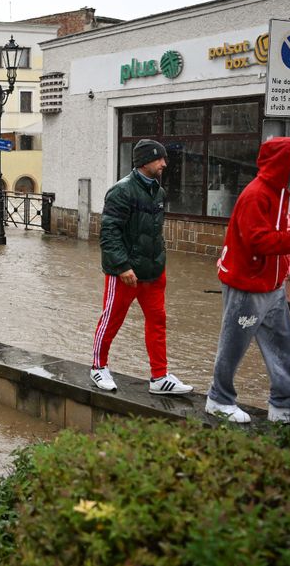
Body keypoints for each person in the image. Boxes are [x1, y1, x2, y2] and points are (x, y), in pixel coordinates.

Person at [89, 138, 193, 395]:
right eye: (160, 159)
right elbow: (109, 232)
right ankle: (98, 367)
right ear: (145, 161)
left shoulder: (158, 192)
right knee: (111, 320)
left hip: (154, 272)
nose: (164, 164)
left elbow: (154, 232)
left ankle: (159, 377)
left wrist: (160, 262)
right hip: (125, 273)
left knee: (158, 322)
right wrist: (122, 266)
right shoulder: (121, 191)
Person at [205, 137, 290, 424]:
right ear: (287, 164)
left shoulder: (282, 193)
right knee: (233, 344)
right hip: (247, 285)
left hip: (272, 285)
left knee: (283, 344)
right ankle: (218, 399)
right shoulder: (257, 194)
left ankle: (285, 405)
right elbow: (258, 240)